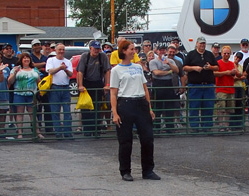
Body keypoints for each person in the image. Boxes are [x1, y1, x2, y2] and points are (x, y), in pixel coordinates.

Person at [110, 38, 159, 181]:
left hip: (140, 103)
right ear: (124, 51)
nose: (134, 51)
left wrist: (149, 107)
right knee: (125, 140)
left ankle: (148, 170)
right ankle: (125, 170)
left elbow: (145, 88)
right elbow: (113, 93)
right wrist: (115, 113)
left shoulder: (138, 67)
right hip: (125, 104)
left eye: (134, 49)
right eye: (131, 49)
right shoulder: (116, 70)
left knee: (148, 138)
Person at [76, 40, 111, 136]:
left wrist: (107, 84)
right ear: (90, 48)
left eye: (98, 49)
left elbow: (107, 71)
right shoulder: (85, 56)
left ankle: (96, 129)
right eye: (95, 48)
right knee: (85, 107)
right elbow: (80, 72)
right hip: (86, 83)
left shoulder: (102, 56)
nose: (96, 50)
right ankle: (87, 130)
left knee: (97, 107)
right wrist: (80, 85)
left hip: (98, 83)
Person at [183, 36, 218, 131]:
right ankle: (194, 127)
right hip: (195, 85)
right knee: (194, 106)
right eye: (200, 43)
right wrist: (194, 68)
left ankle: (207, 127)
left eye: (203, 43)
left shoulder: (210, 54)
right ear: (197, 44)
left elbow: (217, 67)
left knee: (208, 106)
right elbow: (184, 67)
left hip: (208, 85)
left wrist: (210, 67)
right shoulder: (191, 54)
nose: (202, 45)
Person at [147, 43, 179, 132]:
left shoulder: (170, 61)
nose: (162, 51)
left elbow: (176, 70)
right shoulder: (153, 61)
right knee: (158, 107)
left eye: (164, 50)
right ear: (157, 51)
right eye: (160, 50)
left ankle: (170, 127)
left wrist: (169, 63)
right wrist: (169, 72)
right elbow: (156, 73)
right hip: (158, 84)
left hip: (168, 84)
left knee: (169, 107)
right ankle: (157, 127)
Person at [46, 42, 75, 139]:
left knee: (67, 111)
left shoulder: (68, 61)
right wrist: (60, 68)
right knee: (55, 112)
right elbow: (50, 71)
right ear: (56, 50)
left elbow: (71, 74)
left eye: (63, 50)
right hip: (54, 88)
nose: (61, 51)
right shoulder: (51, 60)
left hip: (65, 87)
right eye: (60, 49)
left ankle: (67, 132)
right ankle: (58, 132)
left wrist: (65, 69)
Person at [8, 52, 38, 138]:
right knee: (19, 113)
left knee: (33, 114)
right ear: (21, 60)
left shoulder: (34, 69)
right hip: (19, 94)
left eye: (28, 58)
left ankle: (37, 131)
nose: (26, 59)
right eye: (24, 58)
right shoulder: (16, 69)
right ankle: (20, 132)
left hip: (32, 94)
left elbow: (39, 81)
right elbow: (10, 81)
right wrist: (14, 73)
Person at [214, 44, 238, 129]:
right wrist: (225, 73)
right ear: (222, 53)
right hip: (221, 89)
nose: (226, 55)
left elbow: (237, 74)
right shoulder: (218, 63)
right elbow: (214, 73)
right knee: (221, 109)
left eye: (228, 53)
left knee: (229, 109)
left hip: (230, 89)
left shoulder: (232, 63)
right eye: (225, 53)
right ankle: (221, 126)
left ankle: (226, 125)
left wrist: (234, 73)